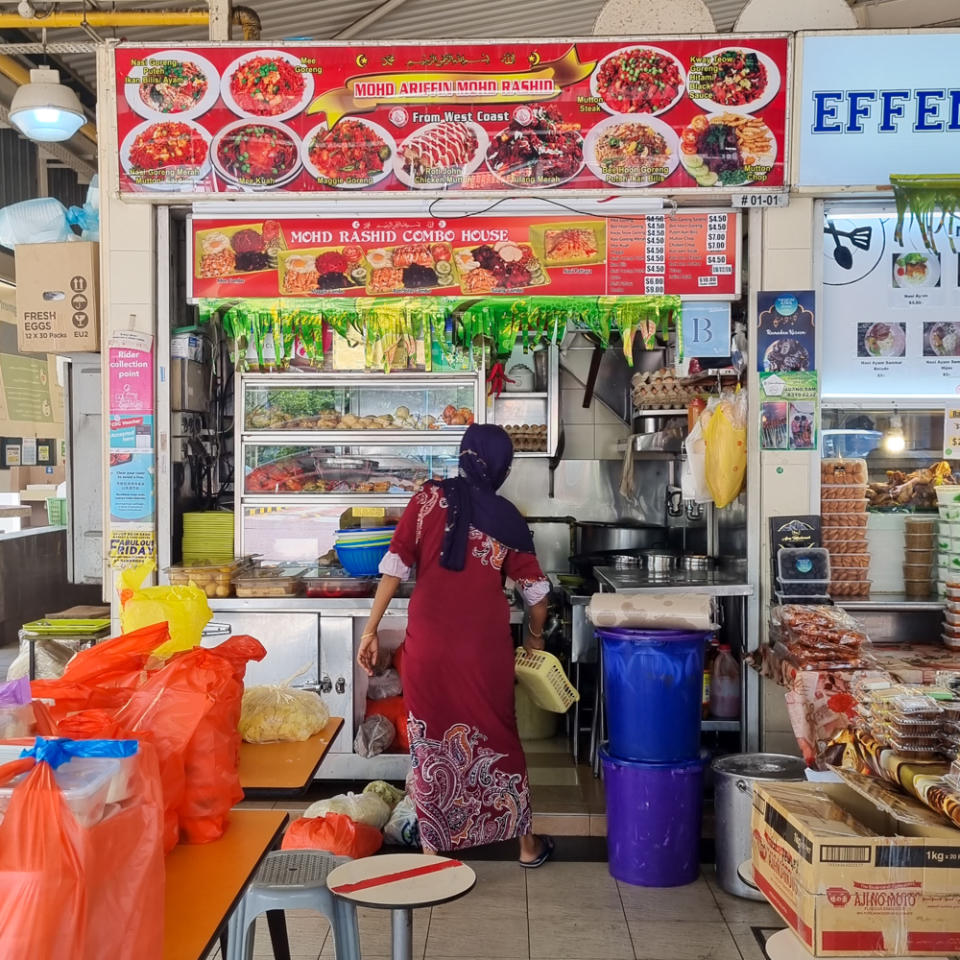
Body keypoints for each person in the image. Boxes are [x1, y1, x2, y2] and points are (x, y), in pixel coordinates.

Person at [358, 423, 554, 867]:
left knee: (430, 747)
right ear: (502, 465)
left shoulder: (427, 500)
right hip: (485, 653)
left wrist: (371, 630)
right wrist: (536, 637)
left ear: (464, 455)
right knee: (500, 739)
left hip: (427, 648)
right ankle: (525, 847)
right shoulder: (507, 517)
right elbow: (537, 596)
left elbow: (394, 568)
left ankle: (433, 853)